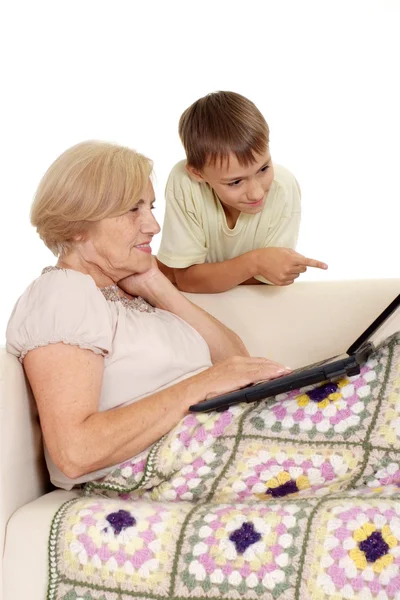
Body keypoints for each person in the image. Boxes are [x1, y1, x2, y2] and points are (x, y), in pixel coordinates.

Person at [5, 140, 291, 490]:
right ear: (77, 227)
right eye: (132, 210)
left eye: (151, 207)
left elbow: (237, 364)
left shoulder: (130, 292)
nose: (153, 226)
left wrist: (156, 284)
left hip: (222, 446)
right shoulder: (64, 293)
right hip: (178, 466)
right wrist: (200, 386)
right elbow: (75, 453)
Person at [157, 91, 328, 293]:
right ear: (198, 173)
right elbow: (187, 281)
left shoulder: (284, 187)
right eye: (236, 182)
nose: (256, 194)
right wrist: (255, 263)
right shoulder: (184, 182)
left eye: (264, 169)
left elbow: (270, 278)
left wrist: (199, 274)